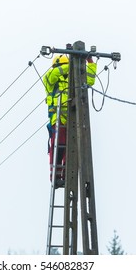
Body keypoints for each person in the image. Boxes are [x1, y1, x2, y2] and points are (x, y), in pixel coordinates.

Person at [43, 54, 97, 187]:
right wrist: (74, 65)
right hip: (58, 117)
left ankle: (67, 177)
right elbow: (56, 73)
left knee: (71, 150)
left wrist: (90, 63)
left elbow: (89, 81)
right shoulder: (50, 78)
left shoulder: (74, 79)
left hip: (73, 118)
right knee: (59, 147)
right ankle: (55, 177)